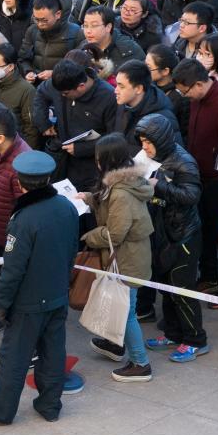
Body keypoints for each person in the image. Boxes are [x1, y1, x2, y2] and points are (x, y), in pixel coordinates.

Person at [0, 150, 78, 424]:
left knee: (13, 357)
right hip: (57, 294)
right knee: (53, 352)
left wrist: (2, 304)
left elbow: (13, 269)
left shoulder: (23, 219)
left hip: (29, 302)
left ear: (20, 182)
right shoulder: (66, 207)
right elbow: (72, 250)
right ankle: (50, 405)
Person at [81, 135, 155, 382]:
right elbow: (109, 208)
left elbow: (115, 233)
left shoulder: (121, 193)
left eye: (98, 156)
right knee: (121, 306)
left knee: (127, 311)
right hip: (128, 256)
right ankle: (115, 346)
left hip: (127, 260)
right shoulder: (122, 183)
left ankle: (140, 363)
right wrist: (89, 199)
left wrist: (90, 237)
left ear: (107, 160)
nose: (95, 161)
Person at [134, 113, 209, 359]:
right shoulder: (150, 157)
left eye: (148, 141)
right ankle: (173, 332)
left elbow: (191, 196)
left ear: (161, 139)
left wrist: (160, 186)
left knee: (182, 289)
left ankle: (196, 339)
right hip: (162, 233)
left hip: (183, 235)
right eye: (142, 141)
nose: (144, 147)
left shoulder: (184, 162)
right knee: (166, 287)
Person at [171, 58, 218, 301]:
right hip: (197, 176)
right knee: (203, 231)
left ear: (198, 84)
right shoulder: (198, 98)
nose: (185, 97)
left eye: (186, 92)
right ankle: (210, 276)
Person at [0, 106, 32, 335]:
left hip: (12, 237)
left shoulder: (20, 163)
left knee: (9, 281)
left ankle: (4, 314)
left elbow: (26, 208)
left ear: (0, 137)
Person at [36, 58, 118, 192]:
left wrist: (82, 148)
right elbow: (41, 93)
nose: (61, 96)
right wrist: (43, 122)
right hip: (60, 157)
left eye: (66, 94)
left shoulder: (108, 97)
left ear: (81, 86)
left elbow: (114, 136)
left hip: (88, 167)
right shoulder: (61, 84)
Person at [17, 0, 82, 85]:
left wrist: (54, 74)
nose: (39, 24)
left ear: (58, 14)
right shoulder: (32, 31)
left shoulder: (76, 34)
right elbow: (23, 59)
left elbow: (78, 66)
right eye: (36, 19)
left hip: (63, 88)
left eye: (44, 20)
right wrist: (28, 72)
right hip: (36, 87)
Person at [114, 59, 180, 151]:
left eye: (121, 86)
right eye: (116, 85)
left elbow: (169, 157)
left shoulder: (162, 118)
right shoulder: (124, 104)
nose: (116, 91)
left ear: (138, 89)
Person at [0, 42, 38, 149]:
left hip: (15, 148)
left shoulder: (26, 90)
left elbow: (31, 129)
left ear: (10, 66)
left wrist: (26, 154)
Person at [146, 43, 190, 146]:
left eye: (149, 67)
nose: (144, 71)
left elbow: (184, 133)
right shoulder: (149, 87)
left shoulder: (179, 96)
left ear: (165, 71)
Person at [81, 6, 146, 72]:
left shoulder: (129, 49)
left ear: (108, 27)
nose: (88, 31)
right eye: (86, 26)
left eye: (94, 26)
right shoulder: (83, 47)